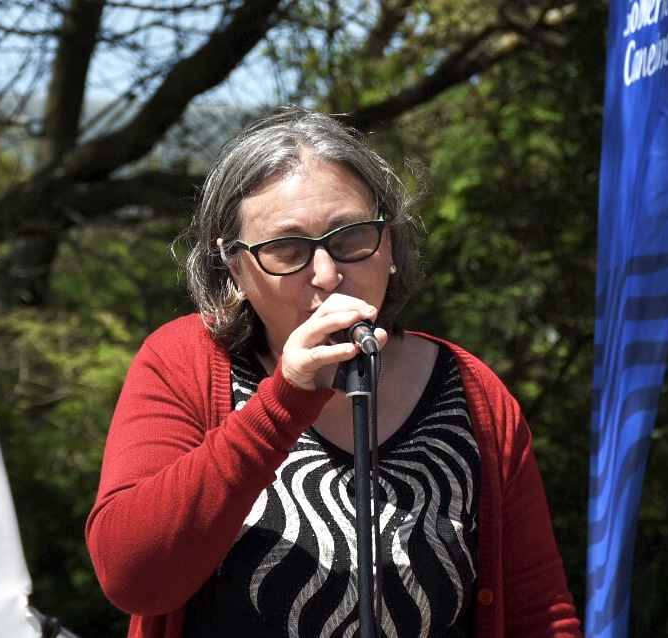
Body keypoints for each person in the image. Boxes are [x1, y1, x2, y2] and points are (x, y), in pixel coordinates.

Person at [86, 106, 583, 638]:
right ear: (233, 267)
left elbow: (540, 614)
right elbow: (131, 576)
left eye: (349, 238)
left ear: (390, 241)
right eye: (286, 250)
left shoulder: (472, 392)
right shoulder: (183, 361)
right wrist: (284, 402)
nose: (327, 275)